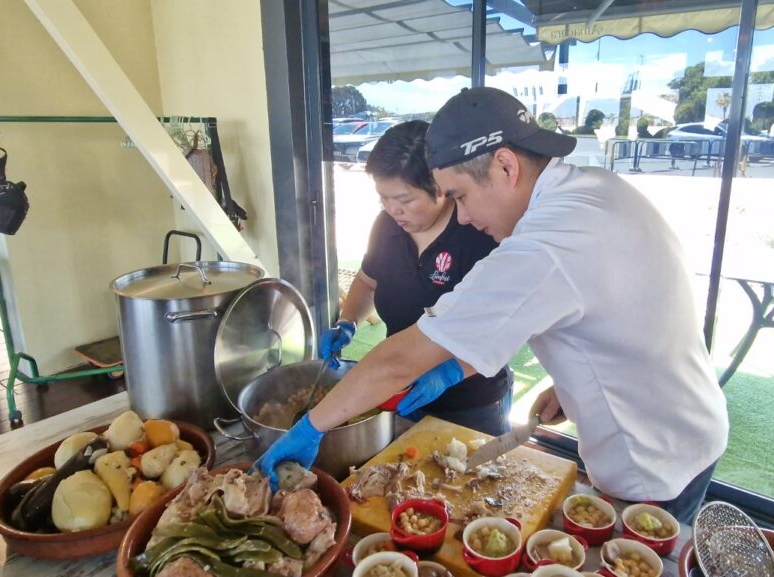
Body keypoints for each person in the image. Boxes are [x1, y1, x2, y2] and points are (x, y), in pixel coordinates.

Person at [256, 87, 728, 524]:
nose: (461, 216)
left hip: (650, 463)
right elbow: (624, 304)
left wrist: (311, 427)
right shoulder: (593, 189)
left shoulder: (544, 244)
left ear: (505, 165)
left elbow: (399, 360)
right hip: (687, 427)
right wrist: (577, 383)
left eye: (460, 196)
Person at [319, 120, 514, 435]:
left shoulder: (478, 231)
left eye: (404, 200)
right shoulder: (386, 226)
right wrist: (348, 321)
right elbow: (368, 281)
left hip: (472, 404)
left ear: (439, 186)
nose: (392, 210)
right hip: (401, 393)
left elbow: (505, 327)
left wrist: (449, 373)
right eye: (383, 198)